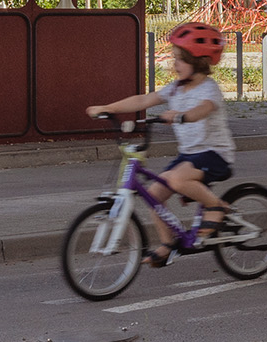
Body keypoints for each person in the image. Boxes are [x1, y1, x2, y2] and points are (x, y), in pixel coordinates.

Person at [92, 21, 239, 235]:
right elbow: (143, 100)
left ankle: (215, 207)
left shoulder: (209, 88)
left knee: (177, 179)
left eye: (180, 59)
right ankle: (168, 243)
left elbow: (203, 109)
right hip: (189, 156)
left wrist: (182, 116)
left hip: (214, 155)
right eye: (175, 58)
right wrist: (108, 108)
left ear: (197, 61)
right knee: (154, 194)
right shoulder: (175, 89)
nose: (175, 64)